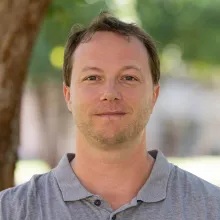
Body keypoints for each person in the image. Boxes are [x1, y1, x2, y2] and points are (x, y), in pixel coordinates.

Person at [0, 11, 220, 220]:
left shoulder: (212, 208)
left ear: (154, 96)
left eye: (129, 78)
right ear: (68, 95)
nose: (110, 94)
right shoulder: (10, 211)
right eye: (92, 78)